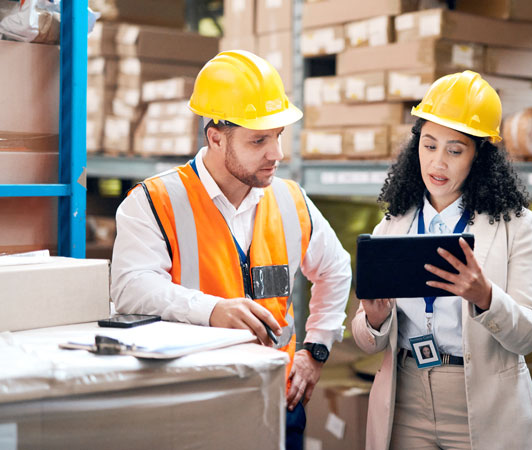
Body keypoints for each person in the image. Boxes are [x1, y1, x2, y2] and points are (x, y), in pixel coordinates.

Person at [110, 50, 352, 449]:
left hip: (277, 399)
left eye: (277, 136)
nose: (276, 154)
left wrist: (316, 350)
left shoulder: (292, 201)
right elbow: (131, 287)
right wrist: (212, 310)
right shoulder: (154, 201)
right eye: (259, 140)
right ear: (216, 137)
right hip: (193, 403)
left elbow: (336, 269)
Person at [352, 71, 532, 450]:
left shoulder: (518, 227)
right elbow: (365, 339)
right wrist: (374, 320)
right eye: (429, 146)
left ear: (480, 156)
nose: (437, 163)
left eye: (454, 150)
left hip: (482, 401)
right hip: (406, 399)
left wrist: (486, 297)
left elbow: (529, 335)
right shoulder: (393, 226)